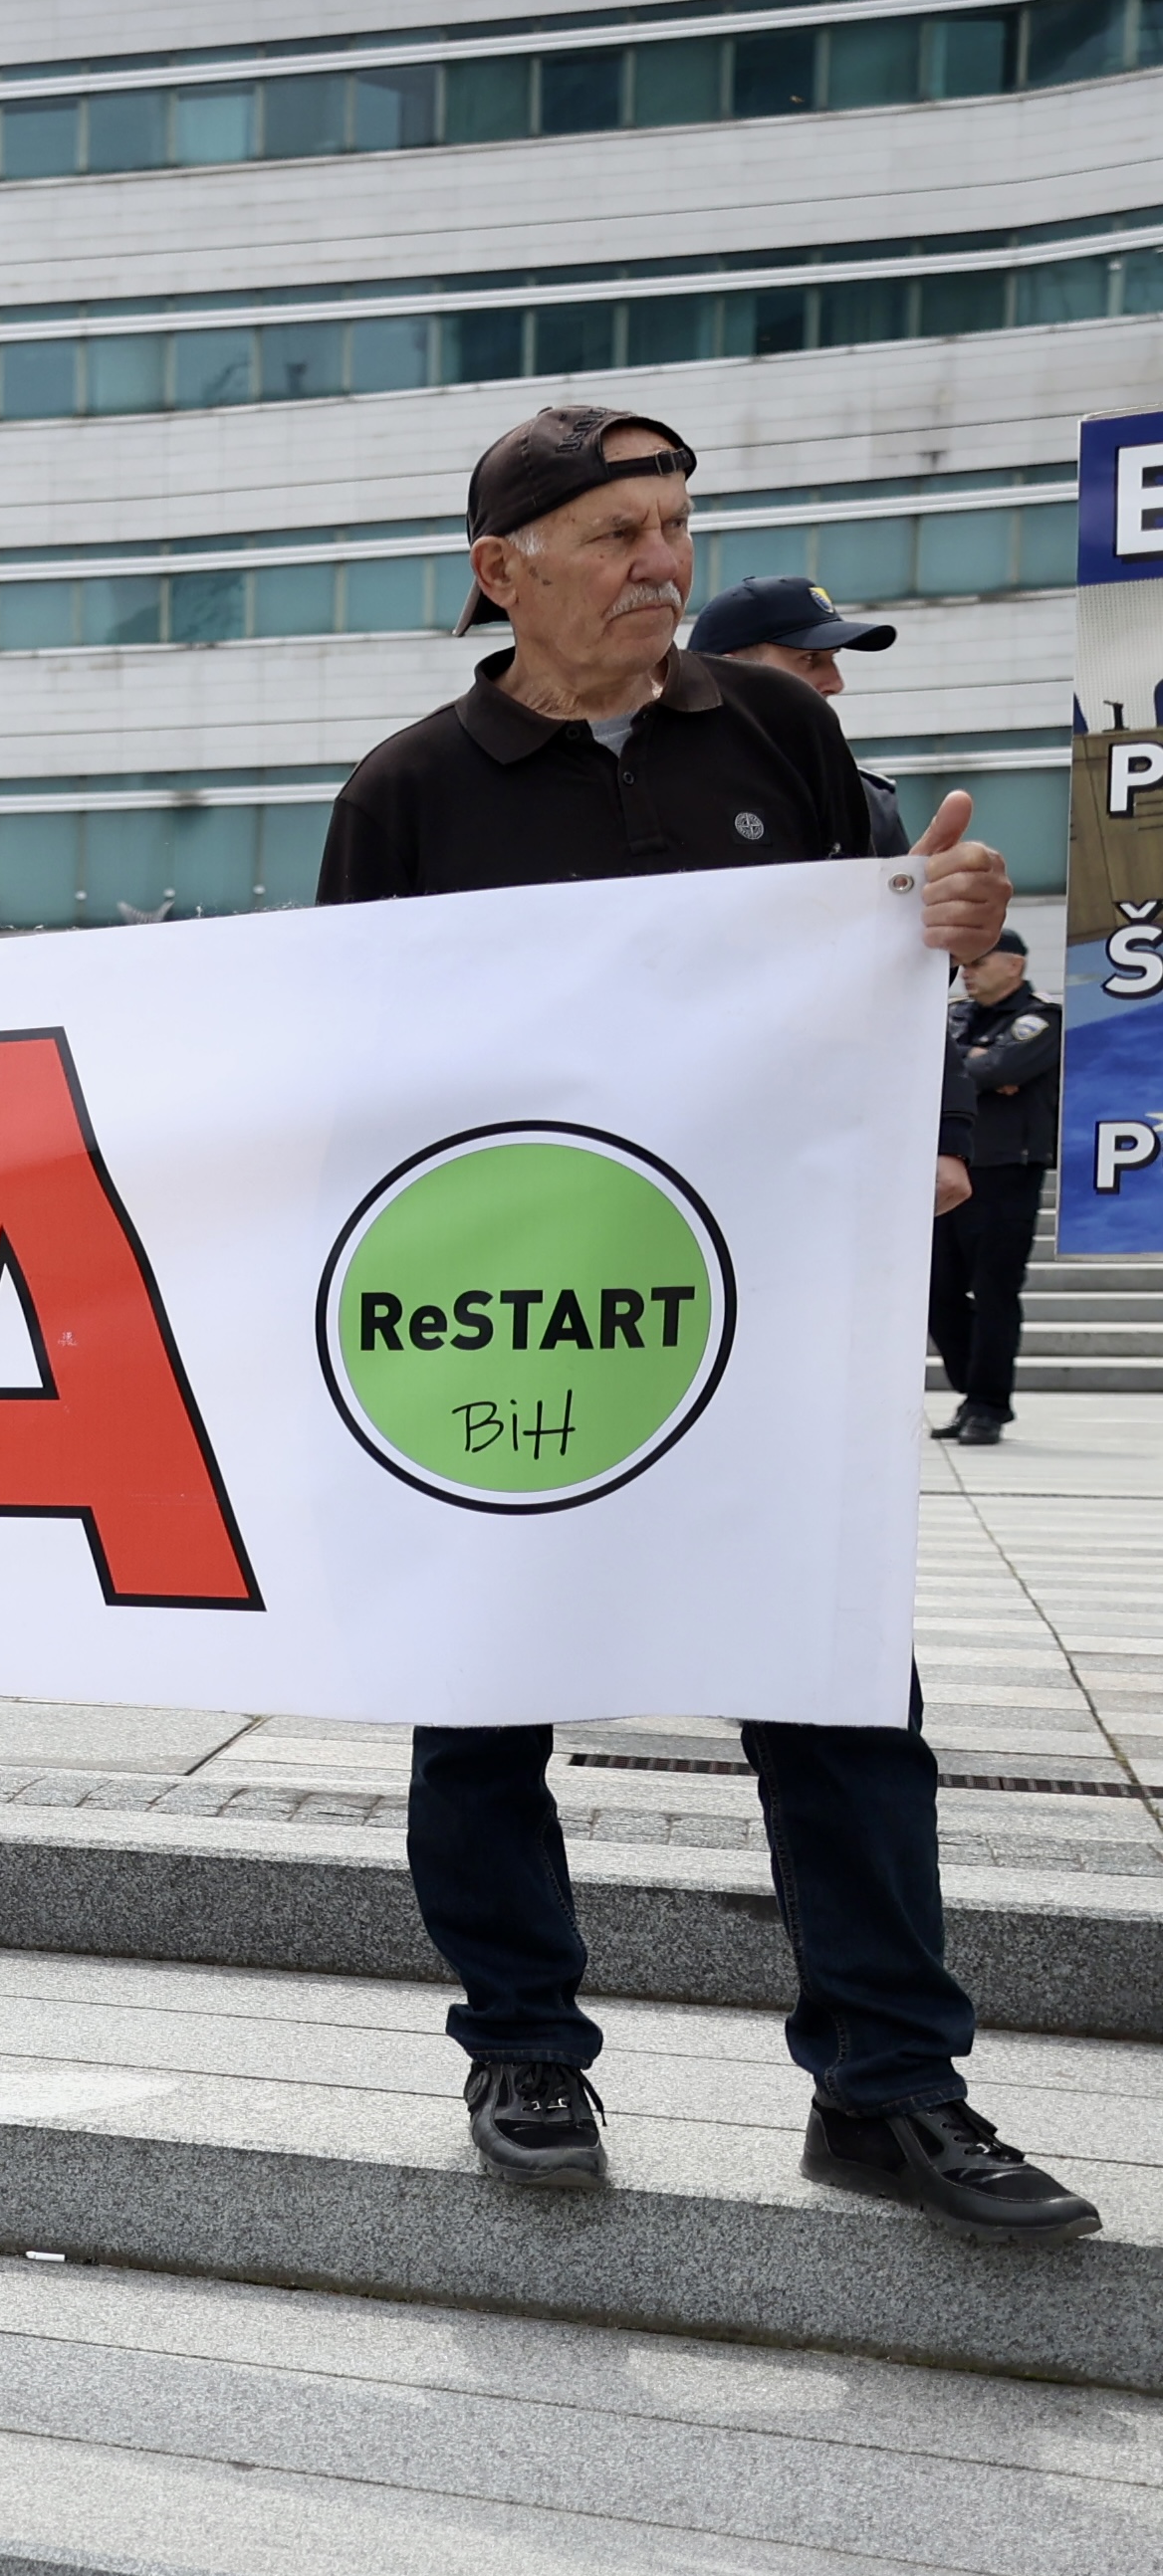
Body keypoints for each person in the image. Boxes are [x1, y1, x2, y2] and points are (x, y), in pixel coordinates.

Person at [314, 401, 1090, 2237]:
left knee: (837, 1698)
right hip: (515, 1316)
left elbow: (871, 975)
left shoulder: (782, 735)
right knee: (486, 1700)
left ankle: (892, 2087)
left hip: (772, 1309)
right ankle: (524, 2049)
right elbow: (345, 1088)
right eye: (614, 534)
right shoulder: (410, 791)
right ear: (500, 571)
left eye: (675, 525)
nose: (661, 562)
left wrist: (943, 934)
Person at [933, 942, 1059, 1446]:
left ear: (1015, 965)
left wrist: (975, 1068)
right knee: (937, 1291)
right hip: (952, 1169)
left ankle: (988, 1405)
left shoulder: (1040, 1017)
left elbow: (1002, 1069)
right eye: (963, 964)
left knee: (994, 1293)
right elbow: (937, 1066)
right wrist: (977, 1065)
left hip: (1008, 1172)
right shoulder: (955, 1016)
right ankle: (971, 1391)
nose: (967, 973)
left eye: (980, 963)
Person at [686, 573, 909, 849]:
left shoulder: (867, 803)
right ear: (730, 673)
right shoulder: (660, 793)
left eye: (832, 658)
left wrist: (924, 886)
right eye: (809, 659)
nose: (836, 683)